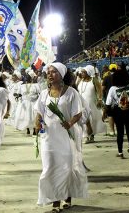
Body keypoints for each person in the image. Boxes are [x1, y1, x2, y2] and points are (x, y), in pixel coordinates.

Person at [34, 62, 88, 212]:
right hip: (49, 138)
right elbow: (39, 111)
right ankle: (55, 201)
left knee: (66, 167)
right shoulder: (44, 93)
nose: (50, 74)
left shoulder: (71, 92)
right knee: (50, 167)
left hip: (67, 136)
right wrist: (37, 123)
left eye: (53, 72)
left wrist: (70, 123)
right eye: (48, 72)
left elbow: (78, 113)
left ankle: (67, 197)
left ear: (61, 74)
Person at [102, 68, 129, 159]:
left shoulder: (113, 88)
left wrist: (104, 113)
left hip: (118, 111)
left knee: (120, 132)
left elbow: (108, 103)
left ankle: (120, 153)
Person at [78, 65, 106, 143]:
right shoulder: (81, 80)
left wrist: (100, 99)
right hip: (81, 104)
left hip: (91, 103)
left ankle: (92, 135)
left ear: (88, 72)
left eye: (84, 72)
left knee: (92, 120)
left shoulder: (94, 80)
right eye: (82, 72)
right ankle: (86, 136)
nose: (82, 73)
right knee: (83, 119)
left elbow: (100, 90)